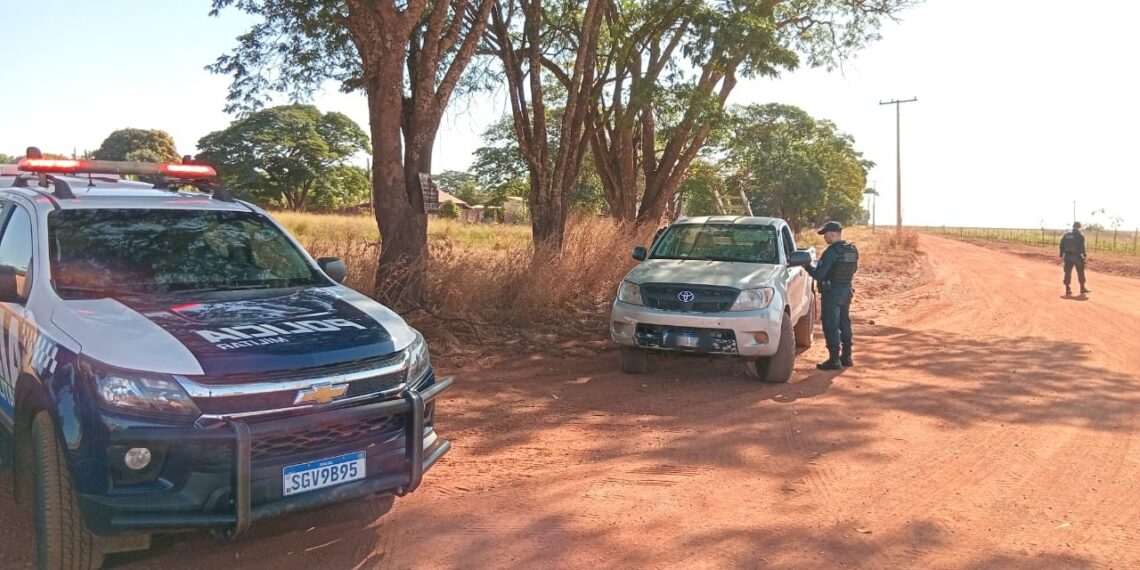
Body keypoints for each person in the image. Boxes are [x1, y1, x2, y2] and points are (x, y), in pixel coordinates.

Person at [805, 221, 859, 370]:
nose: (825, 238)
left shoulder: (831, 252)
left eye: (826, 235)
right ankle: (847, 357)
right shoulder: (852, 249)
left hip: (832, 292)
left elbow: (819, 275)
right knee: (844, 322)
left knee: (831, 325)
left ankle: (834, 360)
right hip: (846, 290)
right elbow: (854, 270)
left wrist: (807, 265)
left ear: (833, 234)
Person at [1059, 221, 1091, 296]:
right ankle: (1082, 288)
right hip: (1077, 257)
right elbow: (1081, 247)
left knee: (1067, 272)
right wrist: (1084, 254)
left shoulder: (1066, 235)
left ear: (1073, 226)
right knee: (1080, 272)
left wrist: (1061, 254)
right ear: (1079, 227)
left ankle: (1067, 289)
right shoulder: (1080, 236)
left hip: (1067, 256)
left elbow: (1061, 245)